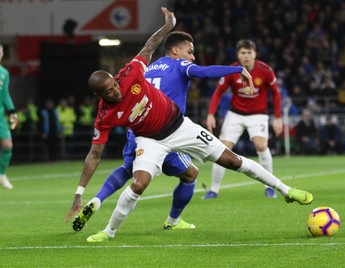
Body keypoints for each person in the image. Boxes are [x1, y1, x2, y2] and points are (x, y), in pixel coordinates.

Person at [65, 7, 313, 243]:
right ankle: (108, 232)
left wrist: (167, 27)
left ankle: (285, 190)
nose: (117, 92)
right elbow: (94, 153)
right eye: (109, 92)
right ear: (100, 96)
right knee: (139, 183)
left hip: (181, 127)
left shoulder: (130, 73)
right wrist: (79, 192)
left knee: (232, 160)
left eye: (115, 86)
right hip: (149, 140)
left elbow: (150, 46)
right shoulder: (104, 115)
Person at [71, 30, 252, 232]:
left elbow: (95, 152)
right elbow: (203, 72)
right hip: (166, 130)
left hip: (137, 132)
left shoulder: (148, 69)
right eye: (189, 52)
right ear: (175, 51)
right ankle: (172, 221)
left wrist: (80, 192)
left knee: (128, 169)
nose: (192, 57)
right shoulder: (180, 65)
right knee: (191, 174)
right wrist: (236, 70)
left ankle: (97, 199)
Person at [203, 39, 283, 199]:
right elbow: (218, 92)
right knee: (222, 149)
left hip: (258, 114)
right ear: (238, 55)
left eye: (249, 52)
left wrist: (278, 117)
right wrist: (211, 114)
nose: (246, 56)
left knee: (261, 146)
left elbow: (275, 93)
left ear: (255, 54)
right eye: (242, 53)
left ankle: (269, 187)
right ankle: (213, 189)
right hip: (236, 114)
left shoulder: (265, 70)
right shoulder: (232, 70)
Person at [0, 44, 18, 189]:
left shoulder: (4, 73)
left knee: (7, 145)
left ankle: (2, 174)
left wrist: (12, 110)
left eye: (0, 51)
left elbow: (5, 94)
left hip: (0, 116)